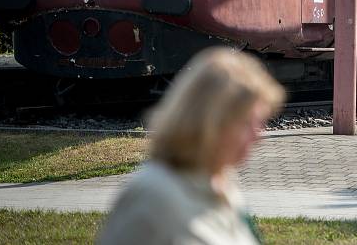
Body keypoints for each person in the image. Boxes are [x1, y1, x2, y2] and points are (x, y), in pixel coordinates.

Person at [99, 48, 285, 245]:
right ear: (210, 123)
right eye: (247, 123)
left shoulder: (222, 183)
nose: (259, 136)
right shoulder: (151, 195)